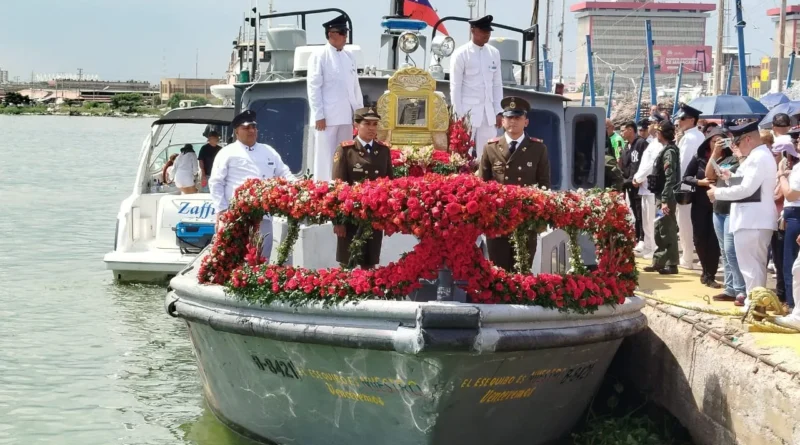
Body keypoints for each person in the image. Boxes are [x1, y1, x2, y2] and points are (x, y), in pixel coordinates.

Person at [708, 121, 778, 308]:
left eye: (737, 143)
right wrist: (730, 178)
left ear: (748, 139)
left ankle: (755, 305)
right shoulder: (757, 156)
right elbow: (748, 185)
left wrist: (718, 193)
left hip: (752, 220)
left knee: (751, 267)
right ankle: (755, 303)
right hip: (750, 218)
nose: (736, 147)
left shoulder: (758, 157)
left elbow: (747, 190)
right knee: (751, 266)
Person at [209, 110, 293, 260]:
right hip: (235, 217)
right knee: (234, 260)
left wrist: (302, 188)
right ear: (236, 131)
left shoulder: (268, 151)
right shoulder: (227, 153)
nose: (251, 130)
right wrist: (221, 211)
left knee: (262, 260)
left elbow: (285, 174)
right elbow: (216, 182)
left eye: (254, 127)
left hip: (264, 217)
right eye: (246, 127)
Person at [478, 97, 550, 271]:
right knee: (498, 271)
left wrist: (540, 219)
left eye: (518, 117)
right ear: (502, 121)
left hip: (525, 219)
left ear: (526, 122)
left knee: (522, 270)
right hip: (498, 219)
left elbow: (544, 185)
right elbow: (482, 185)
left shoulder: (538, 149)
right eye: (509, 117)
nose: (513, 121)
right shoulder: (490, 148)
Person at [332, 107, 393, 269]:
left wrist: (388, 218)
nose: (372, 128)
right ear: (356, 125)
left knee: (369, 263)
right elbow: (338, 188)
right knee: (347, 263)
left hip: (374, 218)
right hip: (350, 217)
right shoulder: (346, 150)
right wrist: (338, 221)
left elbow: (390, 184)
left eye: (375, 124)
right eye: (367, 124)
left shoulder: (383, 151)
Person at [307, 14, 364, 182]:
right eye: (342, 33)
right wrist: (319, 114)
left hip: (346, 115)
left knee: (345, 154)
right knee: (325, 156)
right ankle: (324, 187)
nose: (346, 37)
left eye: (346, 33)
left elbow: (355, 87)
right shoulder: (319, 55)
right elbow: (314, 87)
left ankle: (342, 186)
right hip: (327, 117)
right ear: (331, 34)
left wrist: (359, 114)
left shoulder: (349, 56)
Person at [450, 15, 503, 159]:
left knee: (489, 154)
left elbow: (497, 84)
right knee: (462, 155)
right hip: (467, 113)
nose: (487, 34)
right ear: (473, 30)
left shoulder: (494, 53)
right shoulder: (461, 54)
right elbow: (455, 87)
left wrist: (499, 111)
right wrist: (458, 117)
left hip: (488, 113)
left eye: (488, 31)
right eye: (483, 30)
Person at [704, 129, 746, 302]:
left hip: (732, 210)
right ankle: (730, 288)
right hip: (719, 209)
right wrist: (715, 152)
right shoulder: (725, 159)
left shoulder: (745, 161)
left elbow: (743, 179)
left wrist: (740, 155)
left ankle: (740, 289)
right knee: (724, 251)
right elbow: (709, 175)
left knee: (731, 251)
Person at [683, 129, 722, 288]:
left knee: (714, 240)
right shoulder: (699, 158)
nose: (717, 144)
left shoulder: (728, 158)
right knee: (699, 238)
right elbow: (686, 177)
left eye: (721, 141)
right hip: (699, 203)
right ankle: (705, 270)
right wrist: (700, 182)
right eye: (714, 141)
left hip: (718, 204)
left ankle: (710, 274)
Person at [643, 121, 680, 274]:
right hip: (661, 197)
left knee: (667, 229)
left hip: (666, 198)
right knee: (659, 227)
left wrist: (665, 200)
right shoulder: (666, 150)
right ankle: (659, 261)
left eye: (658, 132)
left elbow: (670, 178)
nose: (656, 135)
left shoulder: (669, 152)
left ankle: (671, 264)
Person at [674, 103, 704, 270]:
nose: (679, 121)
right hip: (695, 184)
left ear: (692, 120)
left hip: (687, 186)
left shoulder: (690, 138)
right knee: (692, 223)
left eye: (683, 118)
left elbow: (683, 164)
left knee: (685, 222)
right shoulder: (698, 135)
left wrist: (678, 186)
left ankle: (687, 258)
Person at [632, 117, 665, 259]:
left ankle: (654, 248)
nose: (648, 126)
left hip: (652, 187)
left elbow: (652, 165)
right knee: (646, 221)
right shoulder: (653, 142)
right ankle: (648, 246)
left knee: (653, 221)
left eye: (651, 123)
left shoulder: (659, 145)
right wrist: (638, 177)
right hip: (645, 187)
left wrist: (638, 178)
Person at [776, 134, 800, 310]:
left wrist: (781, 176)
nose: (797, 141)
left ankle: (792, 305)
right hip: (792, 212)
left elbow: (791, 194)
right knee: (789, 262)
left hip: (796, 213)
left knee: (792, 263)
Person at [619, 121, 648, 248]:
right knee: (635, 211)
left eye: (623, 130)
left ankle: (643, 237)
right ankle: (637, 235)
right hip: (629, 185)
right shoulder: (626, 146)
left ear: (630, 130)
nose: (621, 133)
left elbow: (644, 164)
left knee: (641, 211)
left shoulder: (641, 143)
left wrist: (637, 179)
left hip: (639, 184)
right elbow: (625, 165)